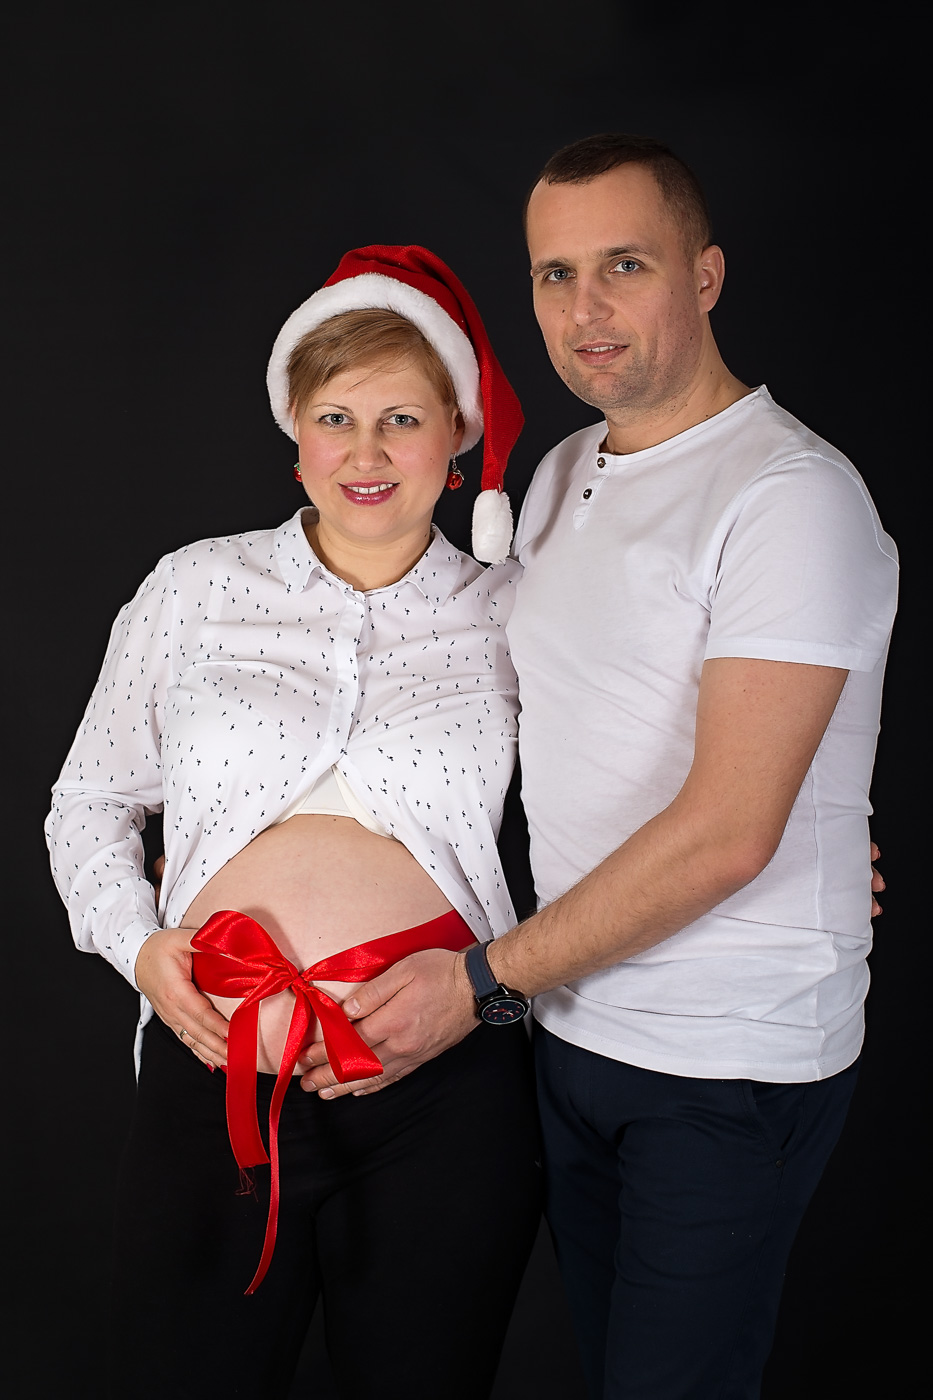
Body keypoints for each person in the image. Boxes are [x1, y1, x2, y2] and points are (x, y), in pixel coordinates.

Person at [298, 136, 899, 1399]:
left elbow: (730, 831)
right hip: (574, 1030)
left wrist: (482, 979)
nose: (587, 310)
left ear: (706, 275)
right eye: (555, 274)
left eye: (625, 265)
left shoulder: (791, 495)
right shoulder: (567, 472)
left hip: (724, 1060)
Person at [44, 245, 543, 1400]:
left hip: (444, 1076)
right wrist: (139, 948)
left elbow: (637, 788)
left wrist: (812, 847)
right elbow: (90, 800)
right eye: (336, 418)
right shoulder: (194, 588)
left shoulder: (521, 609)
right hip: (217, 1064)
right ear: (297, 434)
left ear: (457, 436)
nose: (366, 452)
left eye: (401, 418)